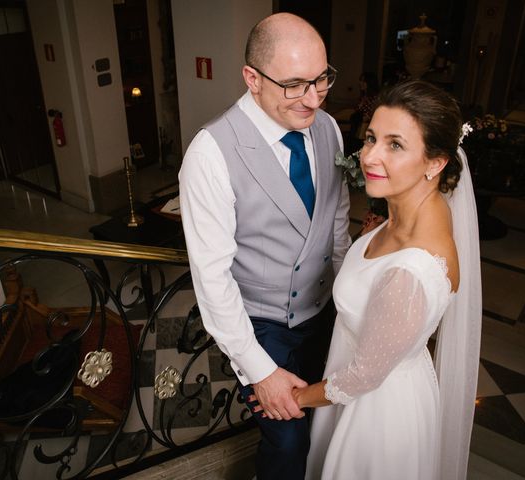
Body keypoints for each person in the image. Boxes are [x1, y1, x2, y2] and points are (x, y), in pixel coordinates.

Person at [266, 80, 481, 479]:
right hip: (364, 389)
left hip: (377, 414)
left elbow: (363, 376)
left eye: (395, 145)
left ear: (435, 163)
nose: (369, 156)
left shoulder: (409, 272)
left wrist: (294, 398)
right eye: (370, 138)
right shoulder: (411, 213)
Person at [178, 12, 352, 480]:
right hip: (262, 328)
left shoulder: (328, 128)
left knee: (326, 423)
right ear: (252, 79)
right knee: (287, 439)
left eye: (321, 80)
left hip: (327, 314)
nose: (312, 98)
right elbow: (211, 279)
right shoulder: (210, 154)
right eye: (294, 85)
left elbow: (335, 219)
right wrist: (260, 369)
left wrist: (347, 299)